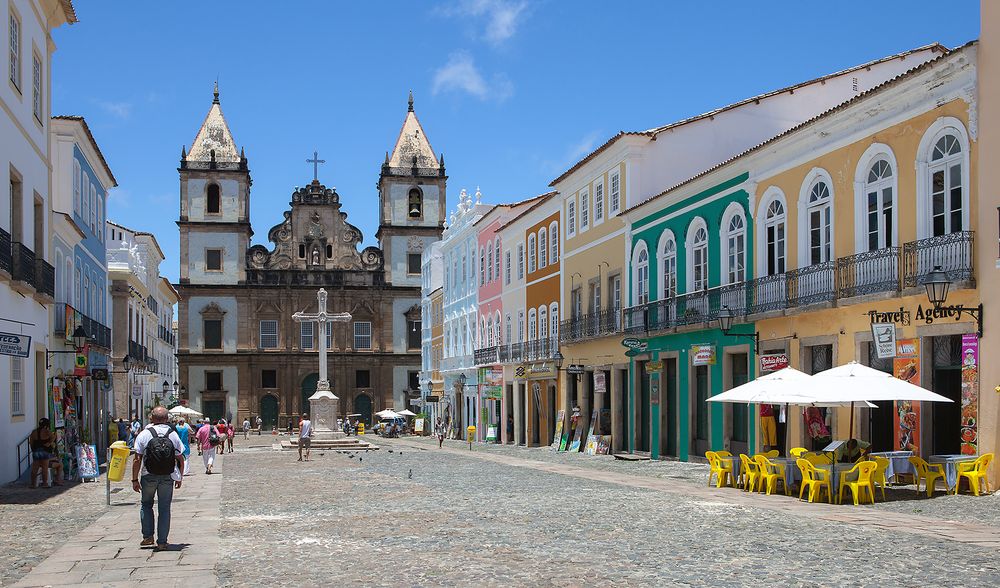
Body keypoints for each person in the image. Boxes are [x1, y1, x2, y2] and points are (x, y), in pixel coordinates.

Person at [132, 406, 184, 552]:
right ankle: (162, 542)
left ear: (151, 419)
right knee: (164, 508)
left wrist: (134, 479)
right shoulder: (172, 434)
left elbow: (137, 459)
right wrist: (179, 477)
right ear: (167, 419)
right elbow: (180, 458)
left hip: (148, 475)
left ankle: (148, 536)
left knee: (146, 504)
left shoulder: (144, 434)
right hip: (167, 476)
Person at [29, 418, 60, 488]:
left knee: (35, 468)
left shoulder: (34, 432)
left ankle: (33, 484)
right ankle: (45, 483)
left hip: (36, 451)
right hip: (44, 451)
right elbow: (53, 437)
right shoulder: (47, 431)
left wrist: (33, 450)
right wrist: (49, 443)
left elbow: (31, 442)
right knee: (44, 467)